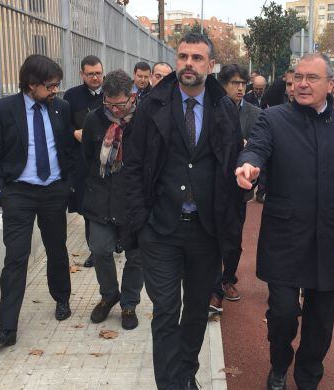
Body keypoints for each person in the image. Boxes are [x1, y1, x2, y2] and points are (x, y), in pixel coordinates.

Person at [235, 53, 334, 390]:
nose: (303, 84)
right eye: (298, 77)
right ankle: (279, 363)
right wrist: (248, 165)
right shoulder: (274, 119)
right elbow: (256, 149)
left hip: (329, 235)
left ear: (330, 84)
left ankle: (309, 374)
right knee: (282, 313)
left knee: (321, 320)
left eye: (312, 78)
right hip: (284, 235)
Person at [124, 32, 243, 390]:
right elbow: (133, 166)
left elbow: (232, 164)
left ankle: (185, 374)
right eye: (182, 57)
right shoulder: (152, 105)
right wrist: (140, 223)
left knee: (195, 312)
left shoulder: (224, 108)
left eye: (196, 58)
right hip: (161, 229)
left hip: (206, 231)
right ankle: (171, 385)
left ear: (210, 65)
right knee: (165, 311)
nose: (188, 64)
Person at [0, 54, 74, 346]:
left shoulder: (61, 108)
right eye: (50, 86)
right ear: (31, 84)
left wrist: (67, 185)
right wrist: (0, 191)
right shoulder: (2, 109)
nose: (55, 90)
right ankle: (7, 329)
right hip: (19, 193)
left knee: (57, 249)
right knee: (16, 258)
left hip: (53, 191)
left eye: (57, 85)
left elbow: (68, 149)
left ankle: (62, 299)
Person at [81, 69, 145, 330]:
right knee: (99, 249)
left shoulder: (145, 120)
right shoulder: (93, 120)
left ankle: (129, 302)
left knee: (137, 256)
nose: (115, 109)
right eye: (109, 103)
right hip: (101, 198)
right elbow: (87, 157)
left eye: (120, 103)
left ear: (132, 96)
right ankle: (109, 295)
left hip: (135, 200)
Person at [208, 64, 262, 315]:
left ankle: (227, 280)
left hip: (239, 186)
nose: (240, 88)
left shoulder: (254, 113)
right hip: (214, 185)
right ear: (223, 85)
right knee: (212, 238)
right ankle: (213, 287)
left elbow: (262, 144)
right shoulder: (211, 107)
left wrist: (247, 149)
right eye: (234, 83)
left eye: (243, 84)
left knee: (234, 237)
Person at [63, 55, 104, 268]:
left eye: (98, 73)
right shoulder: (72, 97)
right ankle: (94, 250)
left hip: (108, 158)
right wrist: (74, 133)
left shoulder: (110, 93)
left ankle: (113, 242)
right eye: (90, 74)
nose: (95, 77)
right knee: (88, 208)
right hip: (82, 160)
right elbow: (64, 125)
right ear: (82, 75)